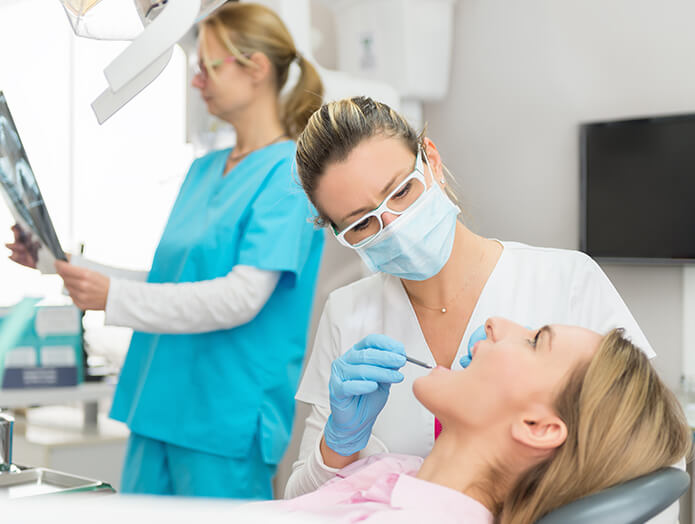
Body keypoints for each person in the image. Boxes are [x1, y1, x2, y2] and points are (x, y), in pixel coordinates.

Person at [7, 3, 324, 499]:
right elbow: (164, 281)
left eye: (207, 66)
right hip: (158, 407)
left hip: (223, 420)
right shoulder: (204, 170)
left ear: (256, 69)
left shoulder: (288, 177)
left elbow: (240, 298)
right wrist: (56, 263)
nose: (196, 80)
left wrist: (112, 297)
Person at [285, 96, 658, 497]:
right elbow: (299, 502)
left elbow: (650, 462)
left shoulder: (567, 280)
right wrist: (338, 445)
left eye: (401, 191)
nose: (393, 227)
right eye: (362, 224)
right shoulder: (347, 313)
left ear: (431, 160)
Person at [261, 318, 692, 523]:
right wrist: (342, 444)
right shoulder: (399, 475)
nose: (496, 323)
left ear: (537, 427)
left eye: (535, 340)